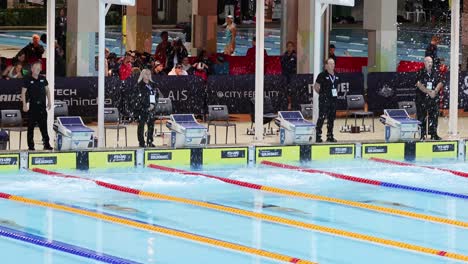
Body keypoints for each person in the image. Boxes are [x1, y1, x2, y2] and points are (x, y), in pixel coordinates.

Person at [21, 61, 53, 151]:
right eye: (35, 68)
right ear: (32, 69)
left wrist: (49, 101)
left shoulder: (43, 79)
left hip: (42, 107)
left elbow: (47, 90)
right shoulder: (27, 79)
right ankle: (31, 146)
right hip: (33, 107)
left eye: (39, 68)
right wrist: (24, 104)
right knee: (30, 127)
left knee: (44, 127)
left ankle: (46, 144)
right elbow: (23, 93)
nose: (37, 70)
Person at [415, 56, 444, 140]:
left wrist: (434, 91)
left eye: (431, 62)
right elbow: (418, 84)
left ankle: (434, 134)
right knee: (421, 117)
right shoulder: (420, 72)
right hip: (422, 99)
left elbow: (440, 82)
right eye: (428, 62)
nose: (430, 64)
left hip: (433, 99)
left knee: (434, 117)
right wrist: (428, 92)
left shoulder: (436, 72)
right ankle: (422, 135)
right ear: (424, 63)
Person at [134, 69, 163, 148]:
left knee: (151, 126)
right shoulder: (139, 85)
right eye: (146, 74)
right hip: (142, 109)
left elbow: (156, 95)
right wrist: (145, 106)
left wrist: (153, 104)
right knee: (141, 126)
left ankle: (150, 141)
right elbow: (137, 98)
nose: (147, 75)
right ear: (142, 75)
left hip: (151, 108)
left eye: (149, 74)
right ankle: (141, 142)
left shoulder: (153, 85)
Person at [314, 58, 340, 143]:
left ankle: (330, 135)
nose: (332, 65)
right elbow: (316, 87)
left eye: (333, 63)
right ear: (326, 66)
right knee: (321, 117)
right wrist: (322, 94)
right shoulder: (322, 75)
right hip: (324, 100)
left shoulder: (337, 75)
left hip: (333, 100)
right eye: (330, 64)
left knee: (331, 118)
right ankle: (318, 136)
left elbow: (337, 87)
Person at [281, 41, 297, 110]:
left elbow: (294, 65)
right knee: (286, 90)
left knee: (292, 90)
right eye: (288, 46)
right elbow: (282, 65)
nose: (289, 48)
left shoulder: (295, 56)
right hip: (285, 76)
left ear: (293, 47)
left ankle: (292, 104)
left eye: (291, 46)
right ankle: (287, 103)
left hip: (292, 76)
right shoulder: (284, 56)